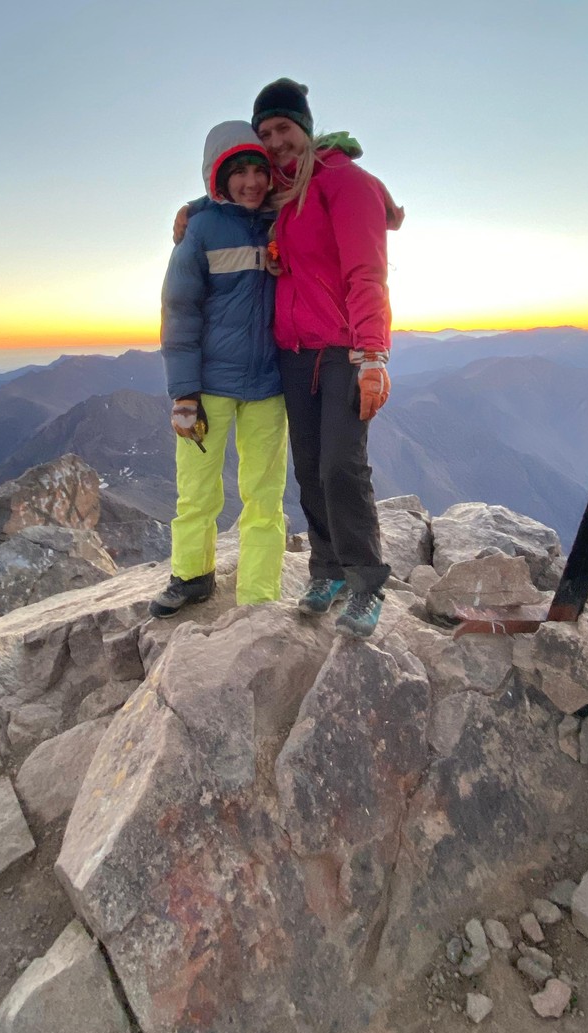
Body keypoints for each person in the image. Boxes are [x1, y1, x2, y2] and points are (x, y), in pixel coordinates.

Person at [252, 78, 404, 638]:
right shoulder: (280, 195)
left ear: (306, 129)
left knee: (343, 465)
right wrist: (189, 213)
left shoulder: (347, 184)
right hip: (294, 353)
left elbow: (367, 272)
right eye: (265, 133)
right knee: (311, 466)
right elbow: (226, 193)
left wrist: (373, 355)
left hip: (344, 351)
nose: (274, 141)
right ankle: (327, 569)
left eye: (283, 129)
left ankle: (367, 583)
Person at [150, 120, 287, 618]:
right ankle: (191, 575)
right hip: (208, 387)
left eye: (259, 170)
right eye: (239, 173)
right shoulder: (202, 228)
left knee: (265, 496)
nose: (251, 181)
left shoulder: (282, 219)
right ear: (218, 178)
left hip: (269, 385)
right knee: (198, 491)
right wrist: (183, 393)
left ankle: (258, 594)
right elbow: (180, 310)